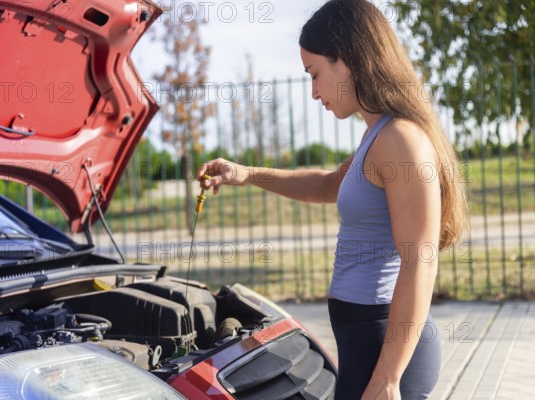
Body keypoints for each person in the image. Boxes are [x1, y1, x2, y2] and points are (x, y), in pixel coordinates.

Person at [197, 1, 468, 399]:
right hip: (366, 341)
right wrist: (247, 174)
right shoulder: (376, 137)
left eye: (315, 74)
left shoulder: (400, 141)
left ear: (348, 59)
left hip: (385, 346)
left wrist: (389, 376)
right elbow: (327, 185)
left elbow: (420, 260)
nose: (313, 93)